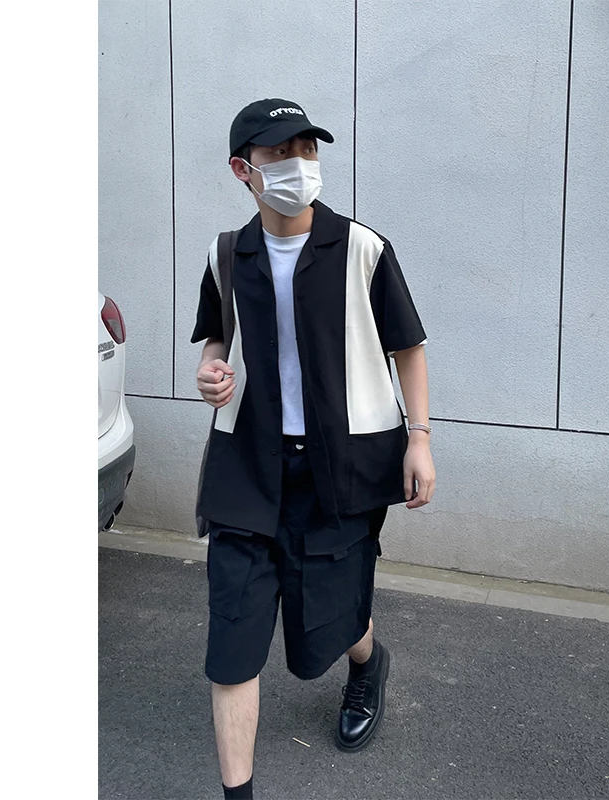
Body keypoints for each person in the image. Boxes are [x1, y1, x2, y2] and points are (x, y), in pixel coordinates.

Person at [190, 98, 435, 800]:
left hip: (339, 470)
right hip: (247, 469)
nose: (299, 163)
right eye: (279, 152)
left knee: (329, 619)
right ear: (243, 170)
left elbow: (408, 348)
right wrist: (210, 371)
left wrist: (420, 439)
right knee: (233, 638)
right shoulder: (227, 255)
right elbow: (217, 338)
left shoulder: (362, 249)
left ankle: (366, 660)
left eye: (308, 149)